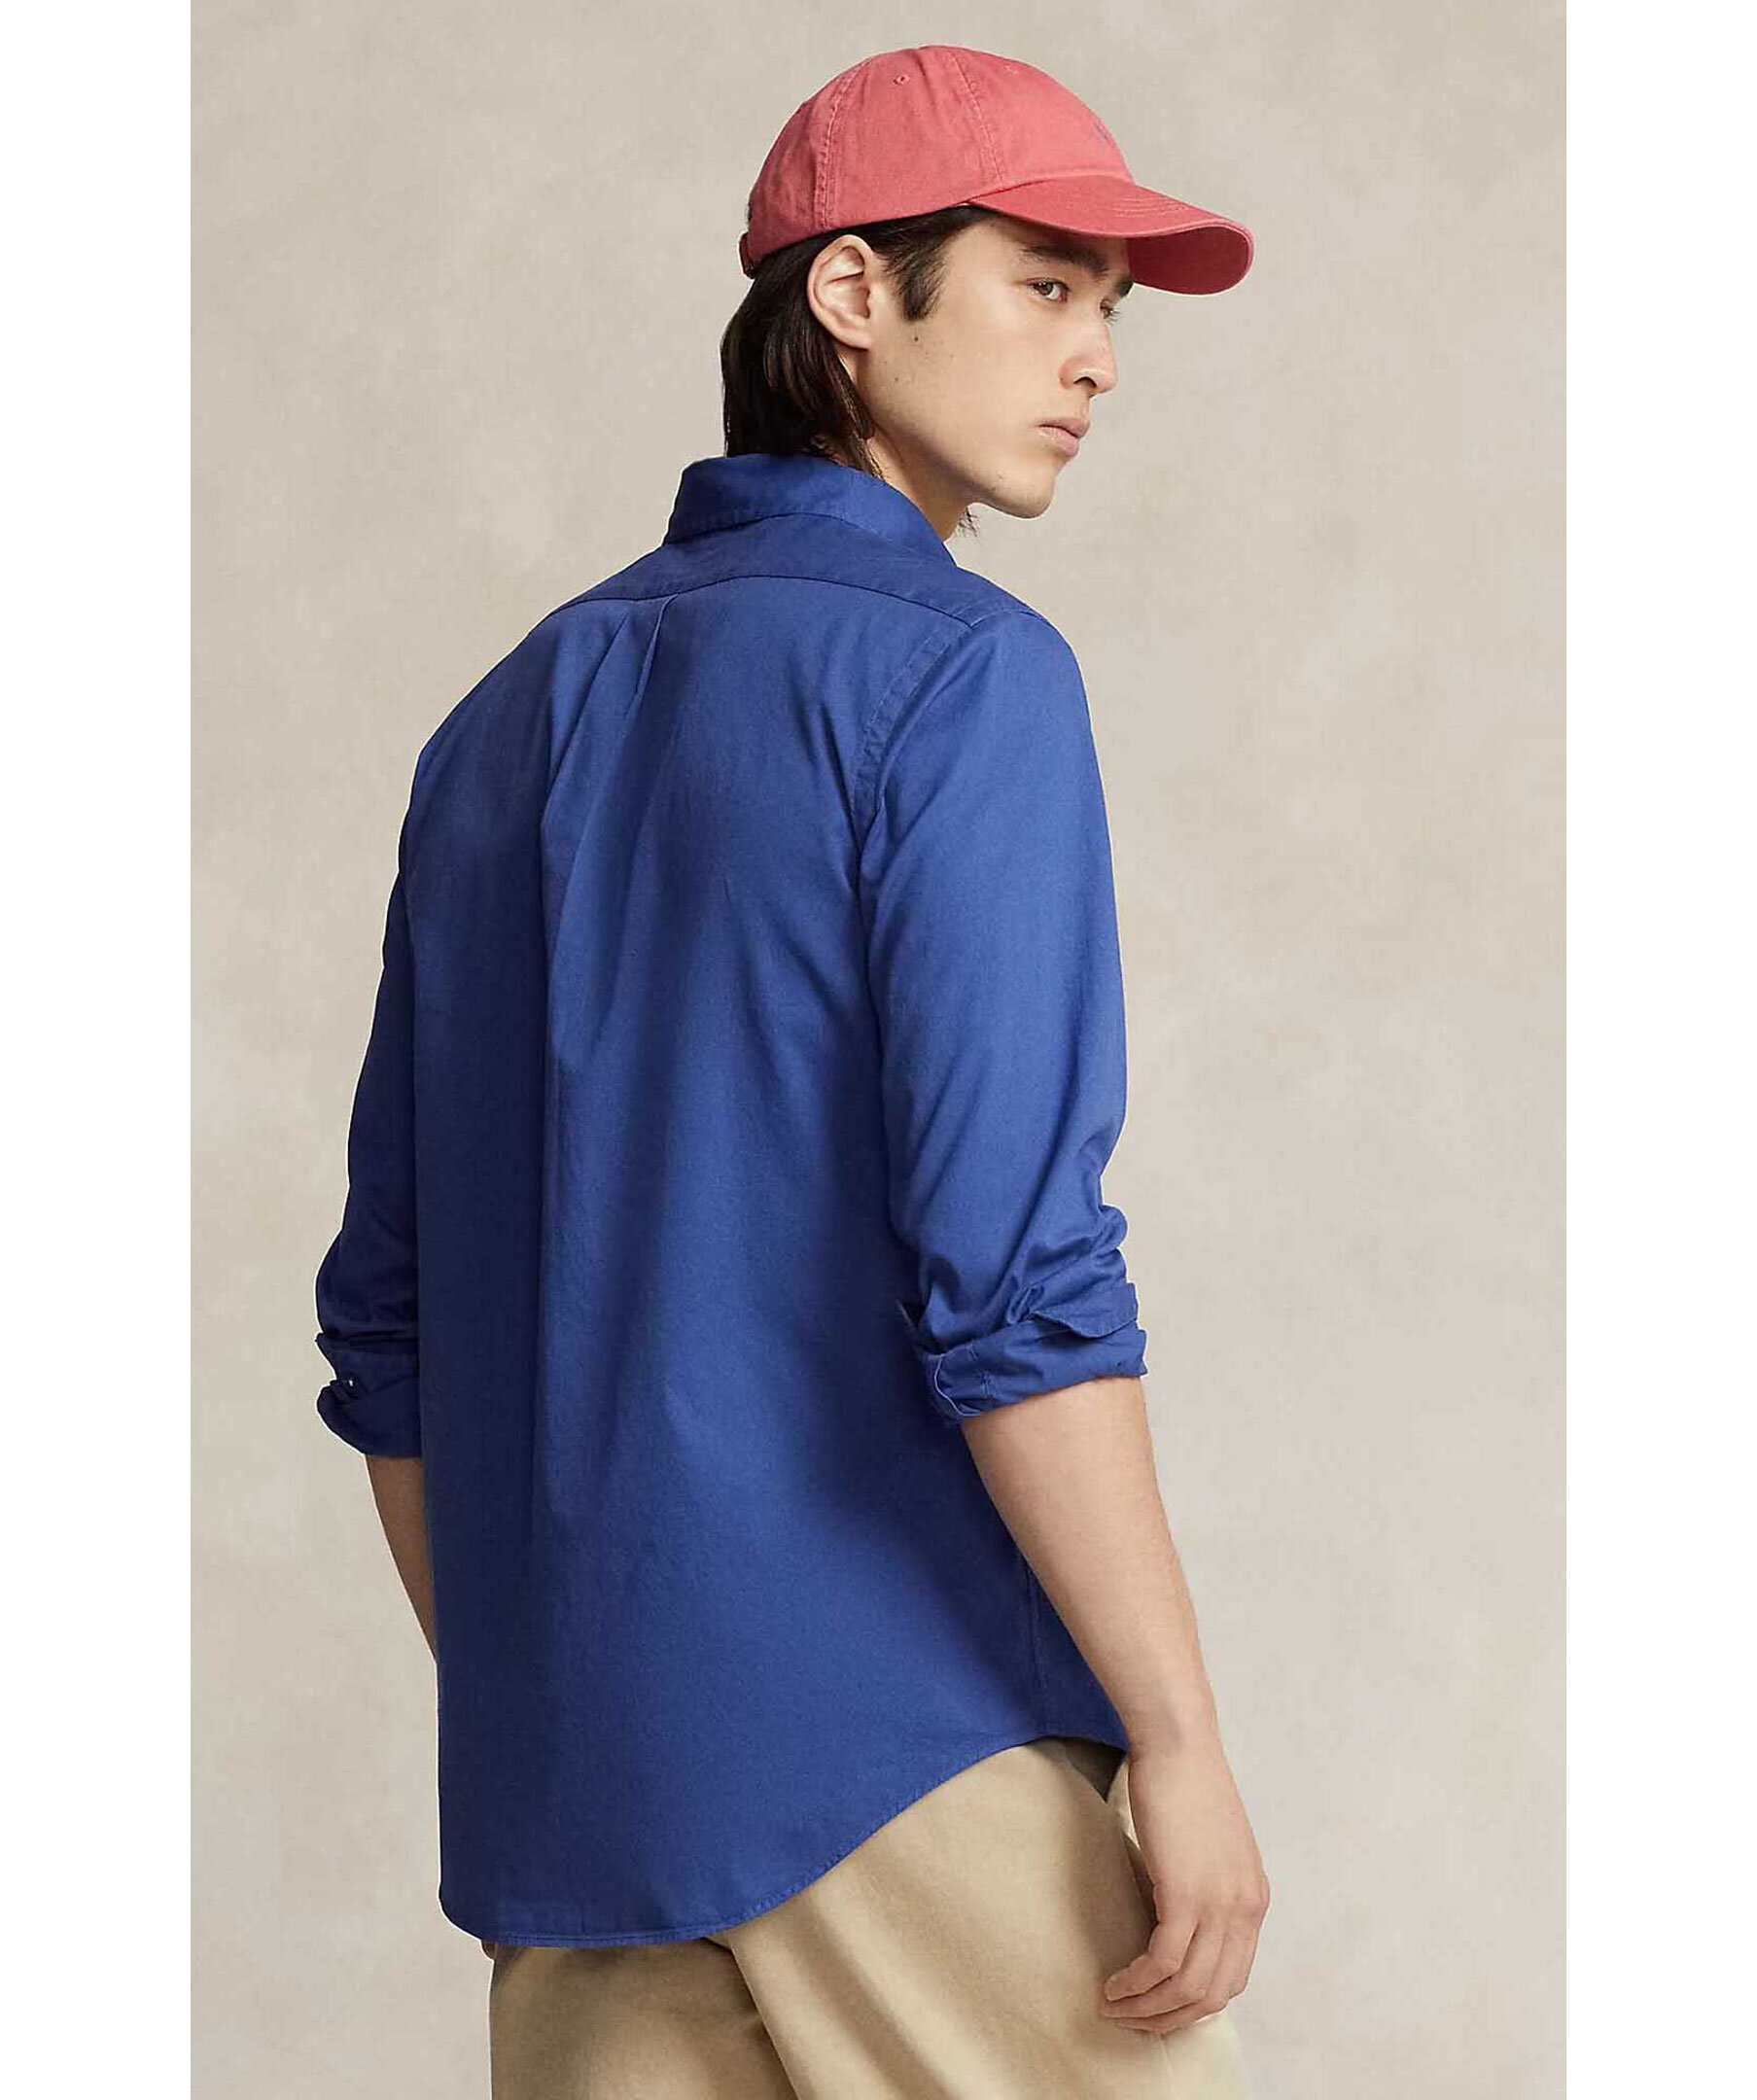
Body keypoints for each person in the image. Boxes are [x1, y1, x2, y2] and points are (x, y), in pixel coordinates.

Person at [312, 41, 1269, 2097]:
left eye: (1111, 305)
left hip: (579, 1796)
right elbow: (1015, 1282)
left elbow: (387, 1328)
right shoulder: (961, 676)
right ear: (851, 292)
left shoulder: (499, 723)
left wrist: (571, 1684)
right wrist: (1181, 1743)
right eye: (1044, 283)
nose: (1098, 357)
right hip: (893, 1749)